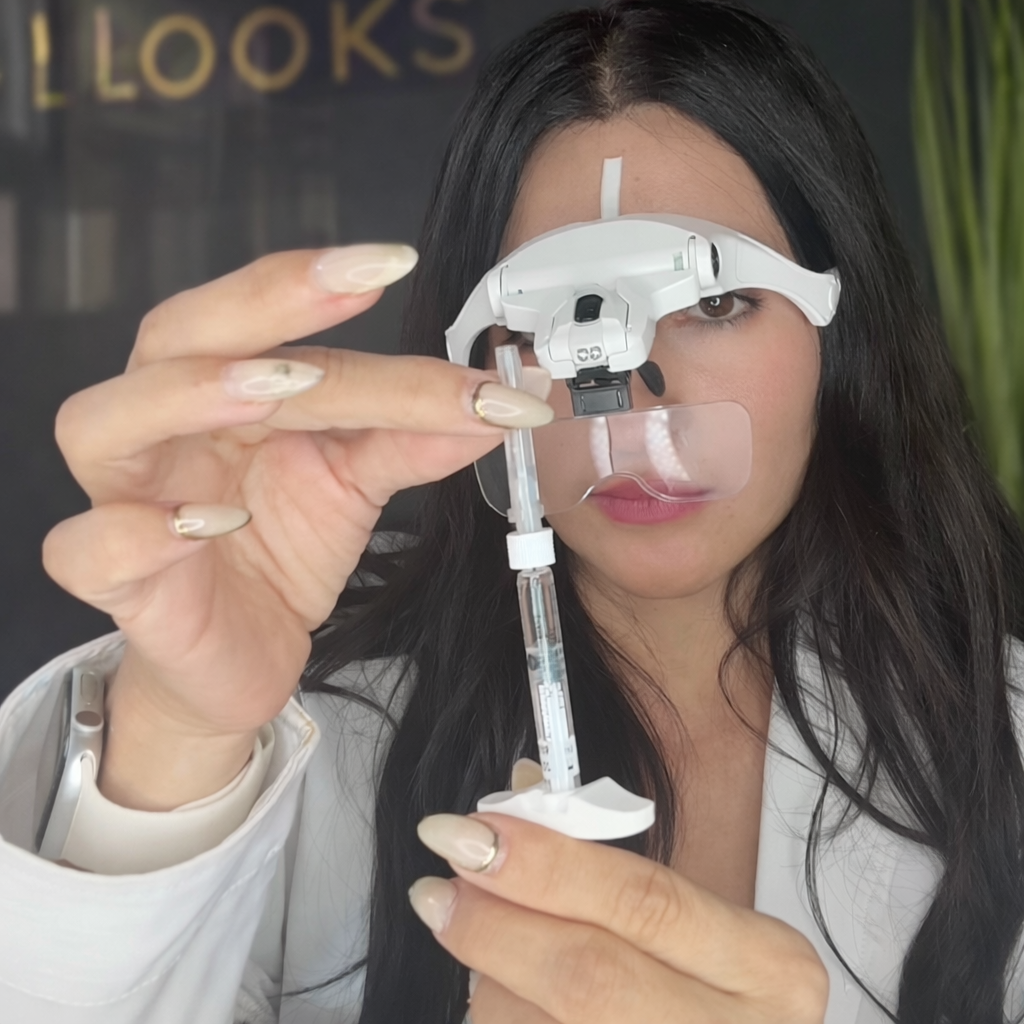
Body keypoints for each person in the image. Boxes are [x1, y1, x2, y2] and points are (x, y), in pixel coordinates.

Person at [0, 1, 1022, 1022]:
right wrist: (175, 733)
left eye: (714, 303)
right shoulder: (318, 738)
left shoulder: (999, 736)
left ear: (834, 329)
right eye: (552, 316)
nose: (629, 397)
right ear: (474, 350)